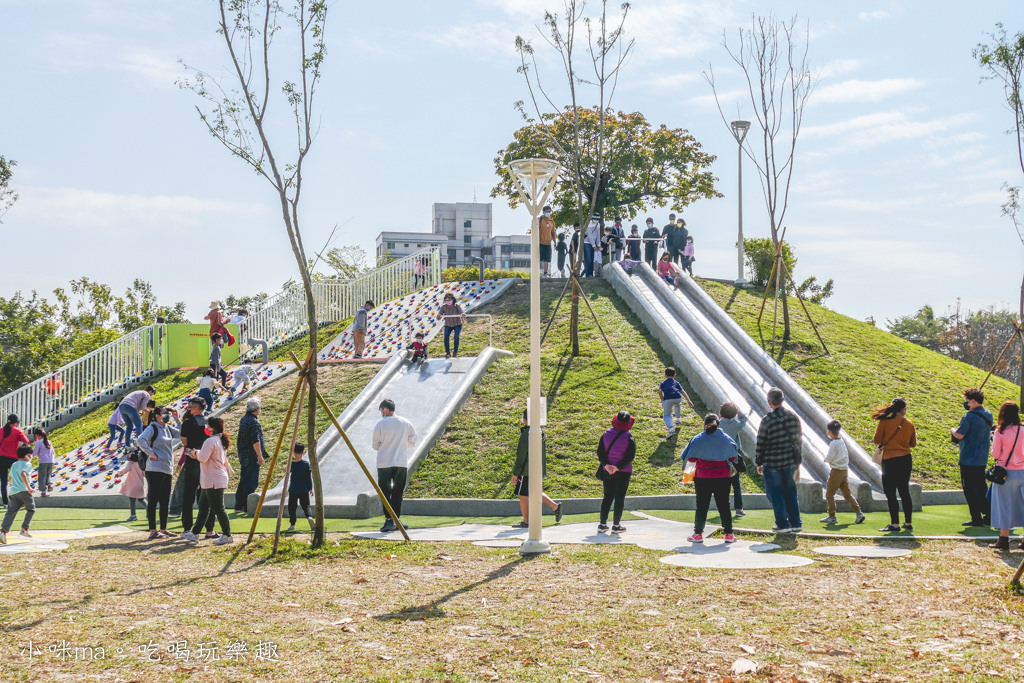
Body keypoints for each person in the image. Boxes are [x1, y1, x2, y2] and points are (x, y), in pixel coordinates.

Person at [682, 414, 739, 544]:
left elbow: (690, 458)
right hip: (723, 477)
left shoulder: (697, 439)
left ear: (705, 425)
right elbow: (733, 457)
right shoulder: (726, 439)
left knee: (701, 506)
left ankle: (698, 534)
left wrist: (688, 475)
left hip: (703, 478)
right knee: (724, 505)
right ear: (718, 425)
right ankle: (729, 534)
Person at [755, 387, 803, 534]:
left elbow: (761, 442)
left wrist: (759, 461)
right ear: (783, 400)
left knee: (775, 493)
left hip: (772, 462)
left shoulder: (767, 420)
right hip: (789, 461)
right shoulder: (793, 417)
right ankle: (795, 522)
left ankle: (782, 524)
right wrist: (798, 460)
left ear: (769, 402)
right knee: (790, 492)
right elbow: (799, 440)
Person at [182, 416, 234, 545]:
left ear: (211, 428)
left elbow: (203, 458)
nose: (206, 427)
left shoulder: (210, 441)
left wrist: (196, 453)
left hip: (213, 479)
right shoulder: (220, 440)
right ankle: (195, 533)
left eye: (207, 425)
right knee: (203, 507)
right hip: (213, 478)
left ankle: (227, 534)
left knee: (218, 508)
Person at [136, 405, 181, 540]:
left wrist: (177, 419)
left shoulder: (167, 428)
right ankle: (153, 530)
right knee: (153, 500)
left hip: (167, 468)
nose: (166, 415)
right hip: (155, 468)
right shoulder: (153, 427)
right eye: (164, 413)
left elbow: (181, 433)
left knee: (164, 500)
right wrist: (151, 453)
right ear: (157, 415)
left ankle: (163, 529)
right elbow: (140, 440)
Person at [872, 397, 917, 532]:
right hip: (905, 459)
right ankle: (908, 522)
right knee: (904, 491)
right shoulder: (909, 423)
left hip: (889, 460)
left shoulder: (884, 422)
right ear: (903, 410)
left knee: (891, 493)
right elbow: (913, 444)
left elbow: (876, 440)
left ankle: (895, 523)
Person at [511, 409, 562, 528]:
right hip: (536, 468)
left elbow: (521, 455)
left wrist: (516, 473)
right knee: (534, 491)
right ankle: (555, 506)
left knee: (523, 494)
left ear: (525, 419)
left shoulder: (527, 434)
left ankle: (526, 521)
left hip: (526, 469)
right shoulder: (540, 431)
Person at [372, 399, 417, 533]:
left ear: (384, 409)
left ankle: (388, 520)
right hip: (401, 462)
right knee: (398, 492)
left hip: (384, 462)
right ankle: (396, 519)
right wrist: (403, 445)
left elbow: (375, 445)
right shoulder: (405, 422)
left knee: (385, 493)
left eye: (381, 411)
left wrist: (384, 446)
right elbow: (413, 440)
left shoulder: (380, 424)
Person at [951, 387, 993, 527]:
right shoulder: (988, 415)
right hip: (982, 458)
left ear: (973, 401)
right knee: (981, 488)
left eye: (967, 401)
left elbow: (960, 434)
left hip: (968, 458)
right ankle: (989, 515)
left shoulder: (968, 416)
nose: (966, 403)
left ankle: (976, 517)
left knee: (969, 489)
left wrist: (952, 430)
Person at [176, 397, 216, 539]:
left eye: (191, 407)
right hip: (206, 461)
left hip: (192, 461)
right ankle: (209, 529)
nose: (188, 409)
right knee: (206, 496)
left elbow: (184, 442)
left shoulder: (187, 423)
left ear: (198, 408)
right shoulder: (209, 422)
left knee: (188, 496)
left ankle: (187, 528)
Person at [989, 401, 1024, 550]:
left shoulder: (1000, 432)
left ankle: (1003, 539)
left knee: (1003, 505)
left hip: (1005, 473)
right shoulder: (1023, 430)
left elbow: (995, 454)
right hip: (1022, 470)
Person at [819, 420, 866, 525]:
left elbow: (830, 456)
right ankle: (859, 513)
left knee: (829, 493)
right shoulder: (841, 441)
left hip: (836, 471)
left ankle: (832, 516)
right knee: (847, 493)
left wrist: (826, 460)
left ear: (829, 431)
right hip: (844, 470)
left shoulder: (833, 443)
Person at [597, 411, 637, 533]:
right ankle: (616, 525)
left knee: (607, 497)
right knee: (619, 498)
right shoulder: (629, 437)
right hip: (623, 472)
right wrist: (618, 467)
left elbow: (600, 452)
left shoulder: (606, 434)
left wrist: (607, 465)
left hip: (607, 471)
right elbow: (630, 457)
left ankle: (602, 524)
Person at [234, 397, 266, 515]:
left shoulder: (244, 419)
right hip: (251, 455)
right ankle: (247, 506)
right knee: (251, 481)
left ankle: (239, 505)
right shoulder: (253, 422)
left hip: (244, 455)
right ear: (257, 409)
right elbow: (255, 440)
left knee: (244, 480)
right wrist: (259, 455)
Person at [0, 443, 35, 544]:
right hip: (24, 491)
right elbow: (23, 474)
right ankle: (25, 528)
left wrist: (14, 483)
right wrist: (29, 488)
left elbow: (10, 477)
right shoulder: (28, 464)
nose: (31, 457)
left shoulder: (14, 464)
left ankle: (3, 532)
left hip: (13, 492)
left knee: (11, 512)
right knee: (31, 509)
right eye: (30, 454)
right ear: (26, 455)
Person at [718, 402, 748, 518]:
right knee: (736, 484)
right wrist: (738, 409)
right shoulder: (736, 424)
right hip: (733, 458)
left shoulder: (718, 424)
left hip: (720, 458)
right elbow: (744, 418)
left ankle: (723, 508)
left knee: (722, 485)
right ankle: (739, 509)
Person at [0, 414, 30, 507]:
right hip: (13, 459)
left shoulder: (1, 430)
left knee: (3, 481)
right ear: (16, 422)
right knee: (16, 480)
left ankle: (5, 502)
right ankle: (18, 501)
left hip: (1, 458)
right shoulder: (17, 431)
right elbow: (26, 441)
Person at [659, 367, 694, 438]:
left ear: (665, 375)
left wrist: (663, 401)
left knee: (667, 415)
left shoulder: (662, 383)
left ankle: (671, 429)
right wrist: (688, 400)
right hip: (678, 397)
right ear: (675, 375)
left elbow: (659, 392)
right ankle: (678, 419)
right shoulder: (676, 383)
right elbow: (683, 391)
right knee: (678, 405)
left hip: (668, 399)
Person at [287, 442, 314, 532]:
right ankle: (309, 517)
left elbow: (286, 472)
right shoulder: (306, 464)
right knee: (306, 505)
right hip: (304, 489)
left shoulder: (291, 465)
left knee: (292, 507)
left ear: (293, 452)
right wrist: (310, 488)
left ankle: (292, 524)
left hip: (293, 489)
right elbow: (308, 478)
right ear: (303, 452)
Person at [437, 292, 466, 359]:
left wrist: (463, 314)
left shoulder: (456, 306)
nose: (448, 302)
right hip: (448, 324)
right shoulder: (444, 307)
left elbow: (462, 312)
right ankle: (448, 352)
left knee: (456, 337)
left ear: (453, 300)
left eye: (449, 300)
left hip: (457, 324)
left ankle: (455, 352)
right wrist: (438, 316)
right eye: (446, 300)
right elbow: (439, 315)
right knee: (446, 337)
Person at [32, 427, 55, 496]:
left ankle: (43, 491)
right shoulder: (49, 442)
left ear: (36, 435)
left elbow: (34, 452)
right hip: (51, 461)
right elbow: (53, 452)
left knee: (42, 476)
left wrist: (28, 458)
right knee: (48, 475)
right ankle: (49, 484)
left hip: (43, 461)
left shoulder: (38, 443)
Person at [539, 205, 556, 277]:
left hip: (548, 243)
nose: (548, 213)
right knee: (539, 258)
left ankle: (545, 274)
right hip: (540, 242)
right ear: (543, 212)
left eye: (549, 211)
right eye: (547, 211)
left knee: (547, 259)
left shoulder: (552, 221)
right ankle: (535, 273)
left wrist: (555, 241)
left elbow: (553, 232)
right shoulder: (540, 219)